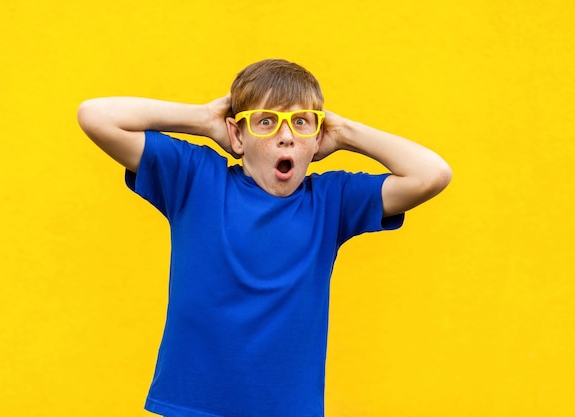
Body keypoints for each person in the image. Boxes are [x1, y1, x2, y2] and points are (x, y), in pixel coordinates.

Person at [77, 58, 452, 417]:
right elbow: (95, 116)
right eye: (267, 122)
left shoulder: (331, 201)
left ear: (318, 139)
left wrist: (345, 132)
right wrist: (205, 119)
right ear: (237, 135)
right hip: (194, 406)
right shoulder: (194, 179)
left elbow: (432, 174)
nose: (286, 136)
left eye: (302, 123)